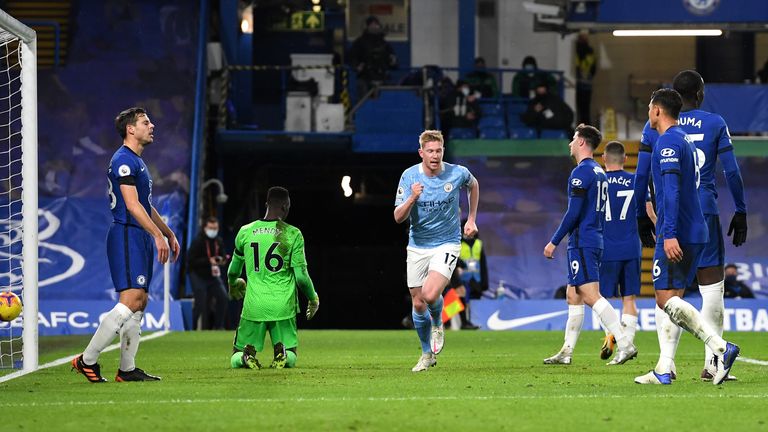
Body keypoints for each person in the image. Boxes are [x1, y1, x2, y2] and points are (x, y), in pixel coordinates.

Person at [632, 70, 747, 382]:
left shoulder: (655, 129)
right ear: (700, 93)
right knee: (711, 290)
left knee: (669, 292)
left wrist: (643, 213)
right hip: (704, 213)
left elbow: (643, 175)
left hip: (670, 217)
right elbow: (732, 172)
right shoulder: (714, 123)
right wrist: (740, 209)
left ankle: (669, 363)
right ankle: (712, 366)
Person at [72, 107, 180, 383]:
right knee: (130, 300)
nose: (152, 125)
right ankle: (87, 360)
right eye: (146, 122)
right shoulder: (123, 160)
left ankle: (127, 369)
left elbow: (145, 205)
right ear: (131, 129)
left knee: (140, 301)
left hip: (139, 234)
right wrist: (156, 235)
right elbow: (132, 206)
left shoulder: (137, 161)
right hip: (127, 234)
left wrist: (166, 232)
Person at [542, 124, 637, 366]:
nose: (570, 143)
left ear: (582, 142)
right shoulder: (598, 172)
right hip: (594, 238)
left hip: (583, 241)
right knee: (573, 295)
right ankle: (567, 351)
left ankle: (625, 344)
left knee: (590, 294)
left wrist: (553, 241)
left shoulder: (581, 173)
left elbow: (573, 214)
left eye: (574, 138)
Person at [394, 130, 480, 372]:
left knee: (430, 296)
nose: (435, 155)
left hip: (448, 242)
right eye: (430, 151)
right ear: (421, 153)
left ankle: (438, 324)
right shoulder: (409, 176)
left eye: (438, 150)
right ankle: (426, 354)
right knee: (418, 303)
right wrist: (412, 197)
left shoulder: (457, 172)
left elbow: (473, 185)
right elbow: (398, 217)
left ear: (443, 151)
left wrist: (471, 219)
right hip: (418, 245)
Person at [227, 186, 319, 370]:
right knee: (291, 356)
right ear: (286, 207)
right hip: (283, 306)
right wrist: (313, 298)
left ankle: (245, 357)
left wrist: (233, 284)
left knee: (235, 355)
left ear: (266, 204)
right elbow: (301, 277)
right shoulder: (292, 234)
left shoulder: (246, 231)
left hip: (254, 305)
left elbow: (232, 272)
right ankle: (282, 353)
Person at [596, 141, 640, 360]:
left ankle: (614, 337)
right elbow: (649, 213)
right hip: (632, 246)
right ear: (625, 159)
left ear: (604, 158)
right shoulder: (635, 181)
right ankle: (626, 345)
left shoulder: (598, 182)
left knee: (601, 298)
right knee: (629, 299)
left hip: (606, 248)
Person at [187, 216, 230, 330]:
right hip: (197, 274)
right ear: (205, 228)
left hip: (213, 276)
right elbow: (190, 261)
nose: (213, 231)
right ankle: (191, 328)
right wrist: (208, 261)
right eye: (211, 228)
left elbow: (222, 255)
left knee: (223, 297)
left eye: (215, 228)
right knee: (200, 302)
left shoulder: (218, 241)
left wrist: (222, 260)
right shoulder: (198, 241)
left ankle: (218, 327)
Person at [348, 15, 398, 101]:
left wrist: (393, 62)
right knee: (364, 102)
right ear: (367, 27)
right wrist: (357, 66)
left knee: (384, 102)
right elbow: (352, 57)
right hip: (365, 77)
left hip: (382, 77)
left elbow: (392, 59)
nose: (374, 27)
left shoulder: (384, 43)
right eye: (372, 24)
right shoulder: (360, 42)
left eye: (376, 24)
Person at [459, 224, 487, 329]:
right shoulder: (458, 243)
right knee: (461, 300)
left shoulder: (478, 243)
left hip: (476, 278)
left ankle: (473, 322)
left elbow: (483, 265)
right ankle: (463, 322)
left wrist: (484, 283)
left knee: (474, 300)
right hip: (462, 278)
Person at [574, 33, 596, 125]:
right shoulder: (590, 51)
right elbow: (593, 67)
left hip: (581, 82)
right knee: (585, 107)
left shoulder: (578, 51)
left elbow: (578, 66)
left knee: (582, 107)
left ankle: (583, 125)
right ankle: (586, 125)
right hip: (586, 82)